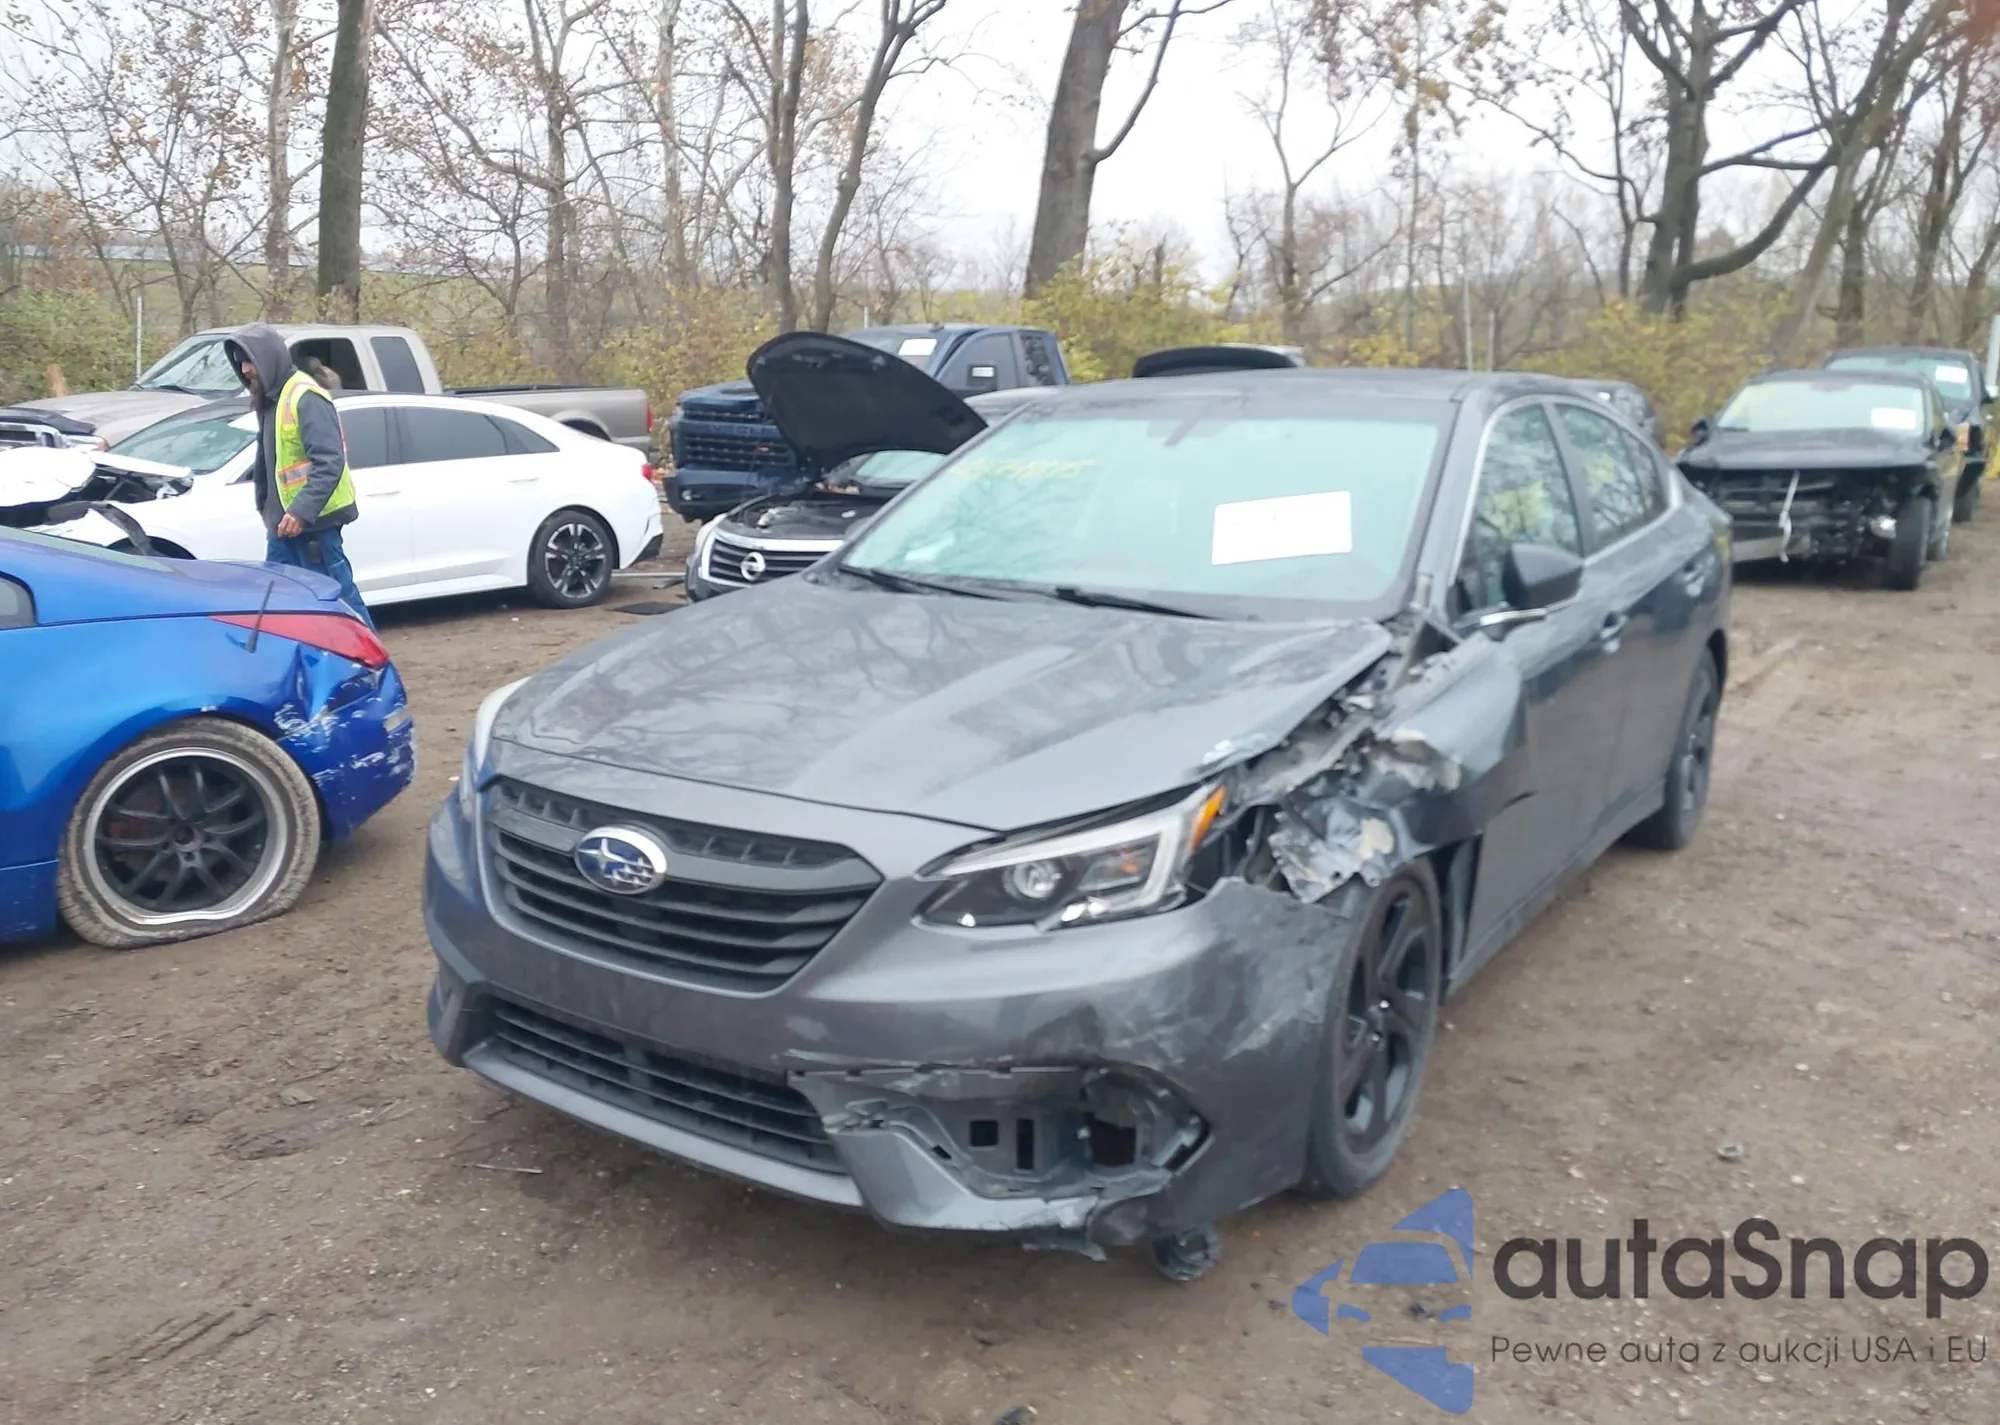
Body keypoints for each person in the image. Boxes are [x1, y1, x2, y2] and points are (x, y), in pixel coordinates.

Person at [222, 323, 372, 627]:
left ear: (267, 359)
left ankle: (367, 654)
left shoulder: (305, 396)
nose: (245, 369)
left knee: (336, 602)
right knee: (279, 603)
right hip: (284, 527)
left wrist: (301, 512)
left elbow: (330, 461)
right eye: (239, 362)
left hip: (314, 526)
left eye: (249, 361)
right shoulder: (272, 398)